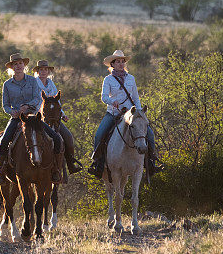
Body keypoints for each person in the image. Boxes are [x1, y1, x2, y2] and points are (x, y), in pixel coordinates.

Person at [89, 49, 163, 179]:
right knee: (99, 134)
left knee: (149, 134)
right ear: (112, 64)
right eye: (118, 61)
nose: (121, 63)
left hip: (131, 115)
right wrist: (112, 101)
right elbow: (104, 97)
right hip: (113, 113)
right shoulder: (108, 80)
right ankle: (97, 164)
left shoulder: (131, 78)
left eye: (122, 61)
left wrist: (139, 112)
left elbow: (136, 98)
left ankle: (151, 162)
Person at [0, 53, 64, 185]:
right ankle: (1, 171)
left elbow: (38, 98)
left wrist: (27, 106)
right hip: (16, 118)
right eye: (15, 64)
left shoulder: (32, 81)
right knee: (3, 142)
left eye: (20, 63)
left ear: (24, 65)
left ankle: (55, 169)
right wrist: (12, 111)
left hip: (34, 118)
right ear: (12, 67)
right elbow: (5, 105)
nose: (18, 66)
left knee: (56, 138)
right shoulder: (7, 85)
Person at [33, 59, 83, 176]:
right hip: (39, 116)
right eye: (41, 69)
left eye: (46, 69)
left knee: (68, 137)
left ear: (48, 71)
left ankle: (70, 164)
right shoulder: (34, 83)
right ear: (37, 71)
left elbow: (57, 102)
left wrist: (63, 114)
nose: (43, 72)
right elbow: (34, 100)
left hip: (54, 117)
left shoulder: (51, 83)